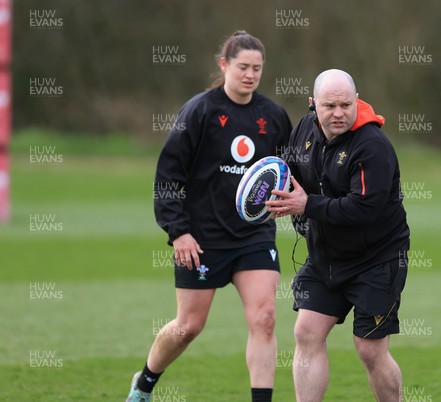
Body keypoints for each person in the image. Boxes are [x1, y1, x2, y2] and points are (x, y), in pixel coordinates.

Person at [126, 31, 292, 402]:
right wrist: (178, 231)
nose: (250, 75)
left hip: (254, 235)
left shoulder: (274, 116)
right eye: (243, 67)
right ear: (224, 65)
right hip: (202, 238)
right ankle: (144, 384)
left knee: (265, 319)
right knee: (188, 327)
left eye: (257, 69)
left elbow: (291, 169)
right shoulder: (199, 111)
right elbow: (169, 176)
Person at [266, 69, 410, 402]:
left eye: (346, 104)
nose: (339, 113)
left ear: (356, 102)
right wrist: (272, 190)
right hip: (326, 255)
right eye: (329, 105)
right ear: (313, 104)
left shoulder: (373, 147)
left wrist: (307, 206)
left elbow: (363, 210)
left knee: (369, 349)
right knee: (306, 331)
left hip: (377, 258)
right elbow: (289, 169)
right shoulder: (304, 129)